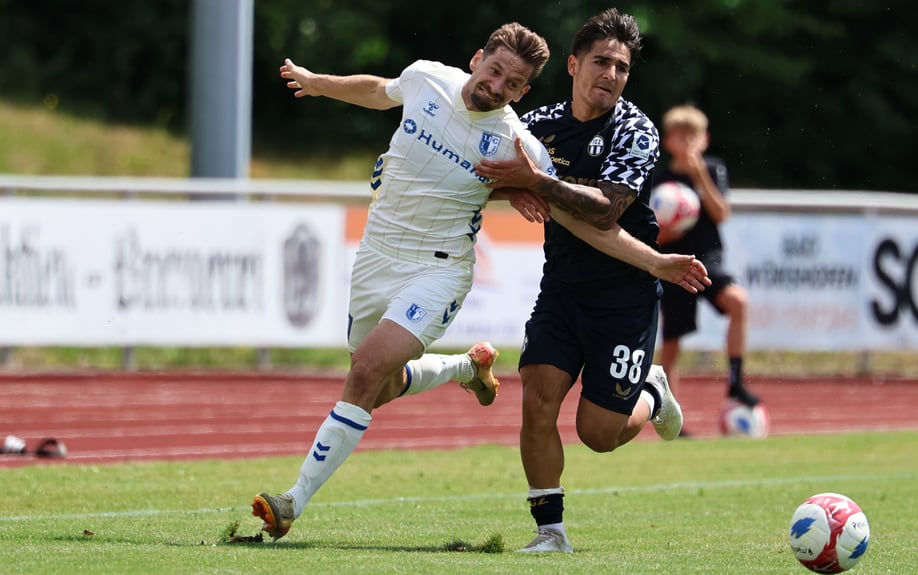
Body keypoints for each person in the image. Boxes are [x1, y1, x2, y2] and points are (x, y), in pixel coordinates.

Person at [252, 22, 708, 542]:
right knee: (375, 380)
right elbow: (381, 91)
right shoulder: (431, 79)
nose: (498, 85)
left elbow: (595, 217)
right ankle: (464, 369)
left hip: (451, 268)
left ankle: (293, 500)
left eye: (513, 83)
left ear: (523, 90)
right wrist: (317, 82)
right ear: (477, 59)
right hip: (385, 257)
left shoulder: (534, 143)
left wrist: (649, 259)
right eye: (495, 71)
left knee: (593, 432)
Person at [475, 9, 709, 553]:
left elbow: (605, 211)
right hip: (561, 289)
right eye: (601, 61)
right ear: (575, 64)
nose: (611, 74)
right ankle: (550, 533)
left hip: (623, 297)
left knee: (598, 436)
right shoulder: (537, 125)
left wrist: (535, 182)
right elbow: (485, 174)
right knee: (536, 399)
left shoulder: (636, 130)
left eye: (622, 68)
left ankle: (652, 388)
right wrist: (515, 188)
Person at [652, 104, 761, 416]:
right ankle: (668, 410)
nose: (687, 143)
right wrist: (667, 233)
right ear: (667, 141)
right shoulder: (661, 181)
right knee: (671, 344)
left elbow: (721, 213)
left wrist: (699, 174)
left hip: (709, 261)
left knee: (737, 301)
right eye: (679, 136)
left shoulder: (712, 170)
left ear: (705, 139)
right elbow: (653, 235)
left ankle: (736, 380)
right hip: (676, 266)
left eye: (693, 136)